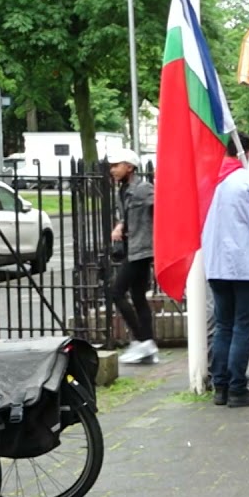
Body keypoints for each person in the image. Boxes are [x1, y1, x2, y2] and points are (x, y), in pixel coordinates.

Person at [203, 133, 249, 408]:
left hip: (216, 265)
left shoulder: (208, 182)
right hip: (246, 266)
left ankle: (219, 387)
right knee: (243, 327)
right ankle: (237, 388)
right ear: (247, 151)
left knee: (223, 325)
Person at [107, 148, 157, 365]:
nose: (112, 170)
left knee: (116, 292)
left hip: (142, 250)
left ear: (129, 166)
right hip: (132, 247)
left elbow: (160, 207)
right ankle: (147, 344)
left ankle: (142, 340)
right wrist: (121, 225)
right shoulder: (123, 189)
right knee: (137, 297)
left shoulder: (143, 188)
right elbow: (127, 213)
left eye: (116, 165)